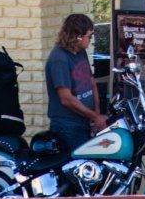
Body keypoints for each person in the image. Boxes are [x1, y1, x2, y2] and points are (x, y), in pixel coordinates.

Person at [44, 13, 102, 153]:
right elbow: (66, 99)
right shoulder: (59, 59)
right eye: (90, 35)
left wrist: (96, 114)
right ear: (78, 36)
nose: (91, 40)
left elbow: (91, 83)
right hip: (67, 125)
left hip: (84, 121)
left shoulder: (81, 52)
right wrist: (95, 116)